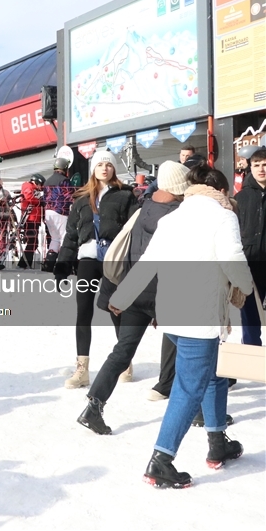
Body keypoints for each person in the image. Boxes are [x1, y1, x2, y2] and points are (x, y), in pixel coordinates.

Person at [109, 165, 252, 487]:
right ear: (222, 192)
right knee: (189, 388)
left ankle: (218, 444)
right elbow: (232, 256)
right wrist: (248, 286)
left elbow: (149, 261)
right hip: (198, 318)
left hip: (171, 314)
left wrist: (123, 296)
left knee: (213, 375)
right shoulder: (223, 215)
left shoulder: (171, 218)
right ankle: (161, 460)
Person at [76, 161, 190, 434]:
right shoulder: (179, 214)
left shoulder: (145, 207)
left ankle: (94, 406)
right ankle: (196, 409)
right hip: (165, 293)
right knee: (189, 349)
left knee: (122, 351)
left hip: (135, 289)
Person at [56, 149, 137, 389]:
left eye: (109, 165)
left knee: (117, 308)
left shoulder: (125, 195)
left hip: (114, 257)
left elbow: (133, 228)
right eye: (100, 164)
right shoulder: (81, 199)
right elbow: (71, 235)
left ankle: (124, 360)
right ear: (93, 169)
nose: (104, 168)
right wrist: (62, 266)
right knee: (83, 311)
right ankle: (82, 368)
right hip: (88, 259)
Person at [234, 146, 265, 346]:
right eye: (257, 165)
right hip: (251, 262)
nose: (262, 169)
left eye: (265, 165)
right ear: (250, 167)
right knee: (250, 314)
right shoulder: (241, 198)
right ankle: (252, 358)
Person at [18, 173, 45, 268]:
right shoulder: (28, 186)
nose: (41, 188)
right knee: (32, 242)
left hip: (35, 219)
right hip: (29, 219)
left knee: (33, 242)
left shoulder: (34, 189)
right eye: (41, 185)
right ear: (37, 182)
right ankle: (23, 264)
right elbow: (29, 197)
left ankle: (24, 264)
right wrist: (40, 201)